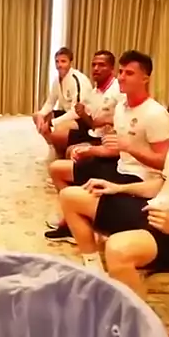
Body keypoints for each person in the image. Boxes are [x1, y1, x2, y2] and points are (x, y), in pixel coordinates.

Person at [58, 50, 169, 268]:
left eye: (129, 73)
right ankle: (86, 239)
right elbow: (117, 149)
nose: (121, 77)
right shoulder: (121, 107)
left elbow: (163, 162)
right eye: (120, 72)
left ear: (145, 78)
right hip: (119, 168)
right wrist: (90, 150)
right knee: (62, 174)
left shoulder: (155, 114)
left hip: (140, 180)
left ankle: (93, 259)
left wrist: (130, 147)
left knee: (70, 197)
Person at [59, 129, 169, 300]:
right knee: (71, 197)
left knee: (118, 249)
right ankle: (94, 270)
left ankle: (136, 315)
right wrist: (118, 188)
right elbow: (163, 184)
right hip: (153, 209)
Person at [44, 50, 122, 240]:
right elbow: (92, 123)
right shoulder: (95, 92)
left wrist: (102, 129)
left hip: (111, 146)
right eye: (94, 64)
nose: (96, 68)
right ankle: (72, 212)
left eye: (101, 65)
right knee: (62, 159)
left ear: (112, 69)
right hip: (96, 135)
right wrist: (84, 115)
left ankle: (74, 216)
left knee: (72, 151)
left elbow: (119, 130)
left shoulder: (118, 92)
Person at [32, 47, 93, 157]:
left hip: (83, 119)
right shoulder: (57, 80)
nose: (59, 65)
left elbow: (76, 112)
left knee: (59, 127)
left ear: (70, 62)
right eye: (57, 61)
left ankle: (61, 151)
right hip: (67, 113)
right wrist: (41, 115)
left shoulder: (78, 80)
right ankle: (53, 148)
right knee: (37, 116)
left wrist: (52, 122)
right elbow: (50, 102)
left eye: (63, 61)